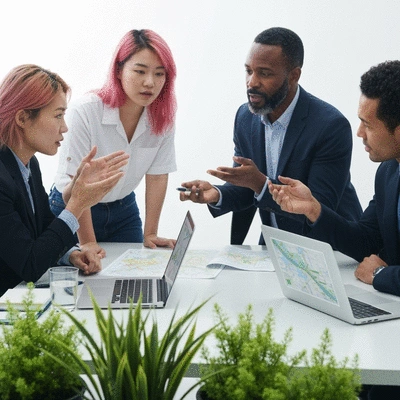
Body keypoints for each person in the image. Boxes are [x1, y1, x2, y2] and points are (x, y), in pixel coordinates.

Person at [268, 60, 400, 400]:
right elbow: (367, 239)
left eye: (367, 124)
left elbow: (376, 265)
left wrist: (382, 275)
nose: (359, 134)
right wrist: (314, 210)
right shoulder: (389, 172)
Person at [179, 27, 362, 244]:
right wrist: (217, 194)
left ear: (294, 75)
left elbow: (319, 207)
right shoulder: (245, 117)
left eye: (264, 73)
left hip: (329, 248)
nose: (252, 82)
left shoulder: (330, 126)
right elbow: (248, 186)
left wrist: (261, 184)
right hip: (274, 247)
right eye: (248, 71)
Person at [0, 64, 128, 296]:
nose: (65, 127)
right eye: (58, 115)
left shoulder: (28, 163)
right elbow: (30, 264)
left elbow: (42, 229)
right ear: (22, 118)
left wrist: (71, 254)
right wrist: (77, 203)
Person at [49, 29, 177, 254]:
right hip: (74, 206)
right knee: (80, 281)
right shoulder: (86, 111)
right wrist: (88, 242)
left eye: (159, 74)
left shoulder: (163, 119)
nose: (150, 82)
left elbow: (157, 176)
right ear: (118, 70)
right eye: (140, 71)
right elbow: (78, 185)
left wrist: (151, 233)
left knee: (130, 279)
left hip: (123, 210)